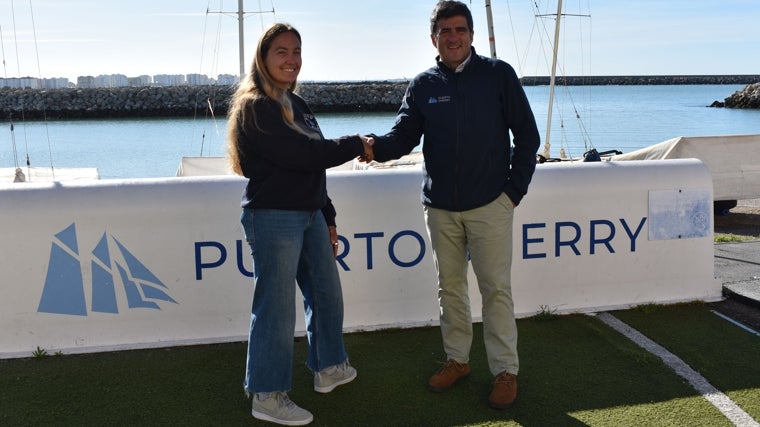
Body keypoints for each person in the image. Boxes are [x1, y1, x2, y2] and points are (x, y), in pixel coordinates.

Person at [366, 0, 540, 410]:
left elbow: (527, 138)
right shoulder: (423, 85)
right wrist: (372, 148)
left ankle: (504, 370)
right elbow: (403, 136)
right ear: (434, 38)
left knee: (496, 289)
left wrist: (513, 192)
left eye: (460, 29)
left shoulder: (498, 75)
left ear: (472, 35)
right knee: (450, 289)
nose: (454, 37)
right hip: (440, 207)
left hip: (490, 205)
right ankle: (458, 361)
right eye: (446, 31)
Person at [226, 23, 374, 426]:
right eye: (281, 52)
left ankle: (329, 367)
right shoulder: (256, 106)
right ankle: (267, 395)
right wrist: (357, 143)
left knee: (326, 293)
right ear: (263, 57)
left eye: (296, 51)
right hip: (272, 215)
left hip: (308, 214)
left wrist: (326, 214)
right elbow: (304, 154)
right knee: (275, 309)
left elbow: (312, 167)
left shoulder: (296, 102)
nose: (291, 59)